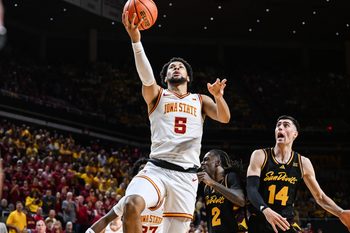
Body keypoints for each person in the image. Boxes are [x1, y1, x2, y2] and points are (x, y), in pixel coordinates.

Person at [87, 11, 231, 233]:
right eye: (171, 67)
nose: (176, 68)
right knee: (131, 203)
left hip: (186, 177)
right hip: (157, 168)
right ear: (164, 78)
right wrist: (136, 41)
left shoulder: (200, 100)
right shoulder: (157, 95)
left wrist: (219, 97)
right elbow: (146, 77)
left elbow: (224, 117)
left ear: (188, 77)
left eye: (180, 66)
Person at [246, 115, 350, 233]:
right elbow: (251, 189)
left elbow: (320, 197)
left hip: (285, 222)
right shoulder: (260, 155)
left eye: (285, 125)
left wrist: (340, 213)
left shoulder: (303, 162)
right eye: (278, 125)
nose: (280, 128)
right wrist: (265, 210)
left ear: (295, 134)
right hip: (260, 219)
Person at [87, 158, 164, 233]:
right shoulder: (127, 201)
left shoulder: (165, 199)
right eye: (142, 170)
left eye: (147, 170)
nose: (145, 173)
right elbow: (106, 219)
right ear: (136, 177)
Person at [198, 149, 247, 233]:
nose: (202, 163)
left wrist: (212, 183)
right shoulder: (206, 187)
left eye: (206, 159)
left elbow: (241, 200)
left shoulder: (230, 177)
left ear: (217, 162)